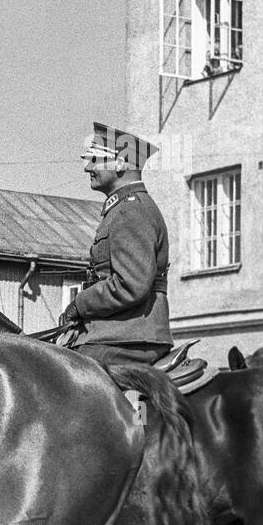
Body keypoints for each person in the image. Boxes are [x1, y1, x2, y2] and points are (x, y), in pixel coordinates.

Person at [60, 123, 173, 368]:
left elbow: (130, 285)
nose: (87, 167)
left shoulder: (130, 211)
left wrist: (79, 305)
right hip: (120, 334)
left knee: (61, 379)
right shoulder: (123, 209)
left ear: (121, 163)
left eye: (95, 159)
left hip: (130, 338)